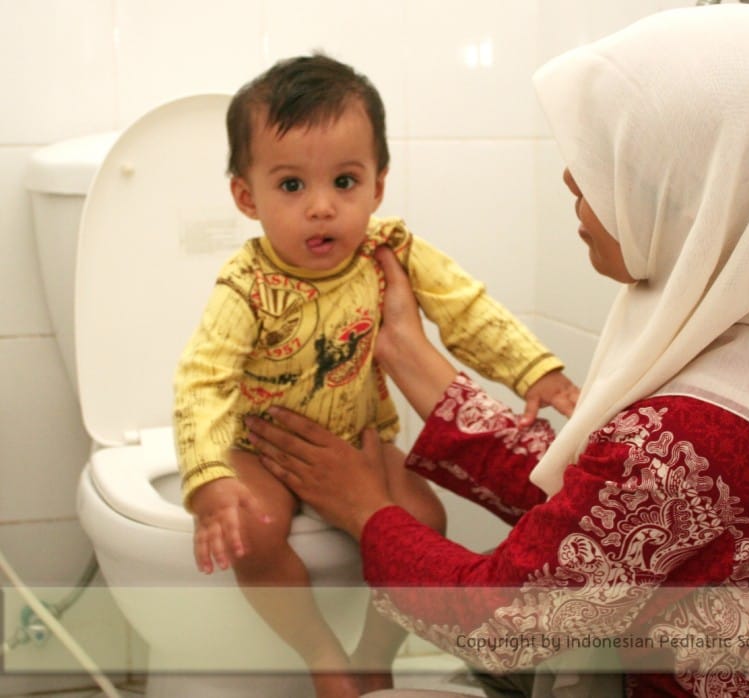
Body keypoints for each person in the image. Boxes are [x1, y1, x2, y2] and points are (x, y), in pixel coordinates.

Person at [244, 5, 749, 697]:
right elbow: (608, 506)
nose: (570, 179)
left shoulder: (695, 433)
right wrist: (407, 350)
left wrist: (366, 510)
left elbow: (502, 622)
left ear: (699, 194)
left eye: (611, 158)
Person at [172, 53, 580, 698]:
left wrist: (534, 370)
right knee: (255, 532)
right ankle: (320, 653)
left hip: (358, 436)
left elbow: (464, 307)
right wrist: (208, 480)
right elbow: (203, 380)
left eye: (344, 181)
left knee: (424, 517)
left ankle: (373, 654)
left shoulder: (388, 250)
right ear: (246, 197)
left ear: (378, 186)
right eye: (291, 186)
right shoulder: (245, 285)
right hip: (260, 444)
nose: (322, 207)